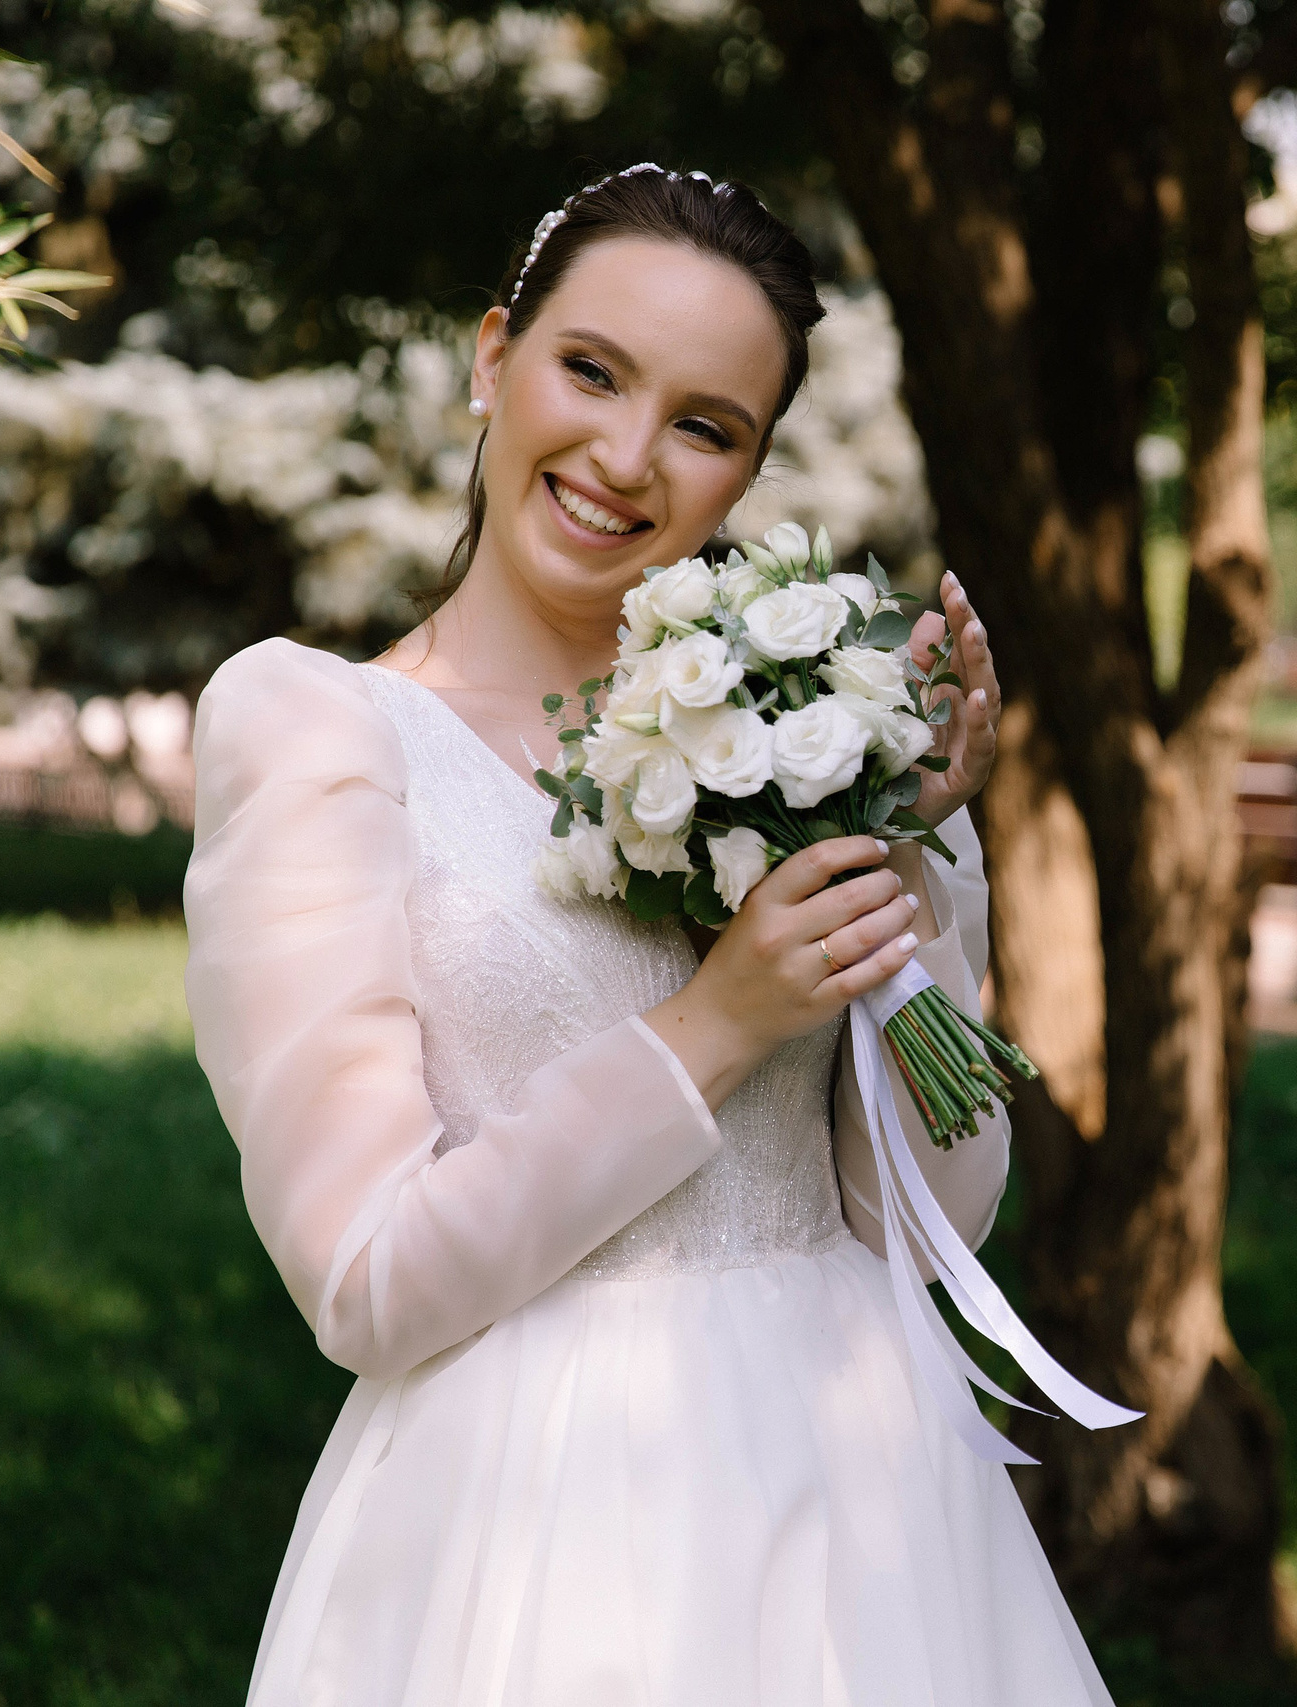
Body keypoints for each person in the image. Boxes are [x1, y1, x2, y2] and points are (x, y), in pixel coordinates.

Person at [184, 164, 1114, 1705]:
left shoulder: (815, 735)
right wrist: (717, 1022)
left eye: (704, 424)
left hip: (864, 1515)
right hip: (535, 1527)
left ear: (747, 471)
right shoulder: (320, 732)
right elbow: (365, 1278)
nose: (625, 456)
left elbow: (929, 1219)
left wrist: (913, 859)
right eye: (589, 370)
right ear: (494, 358)